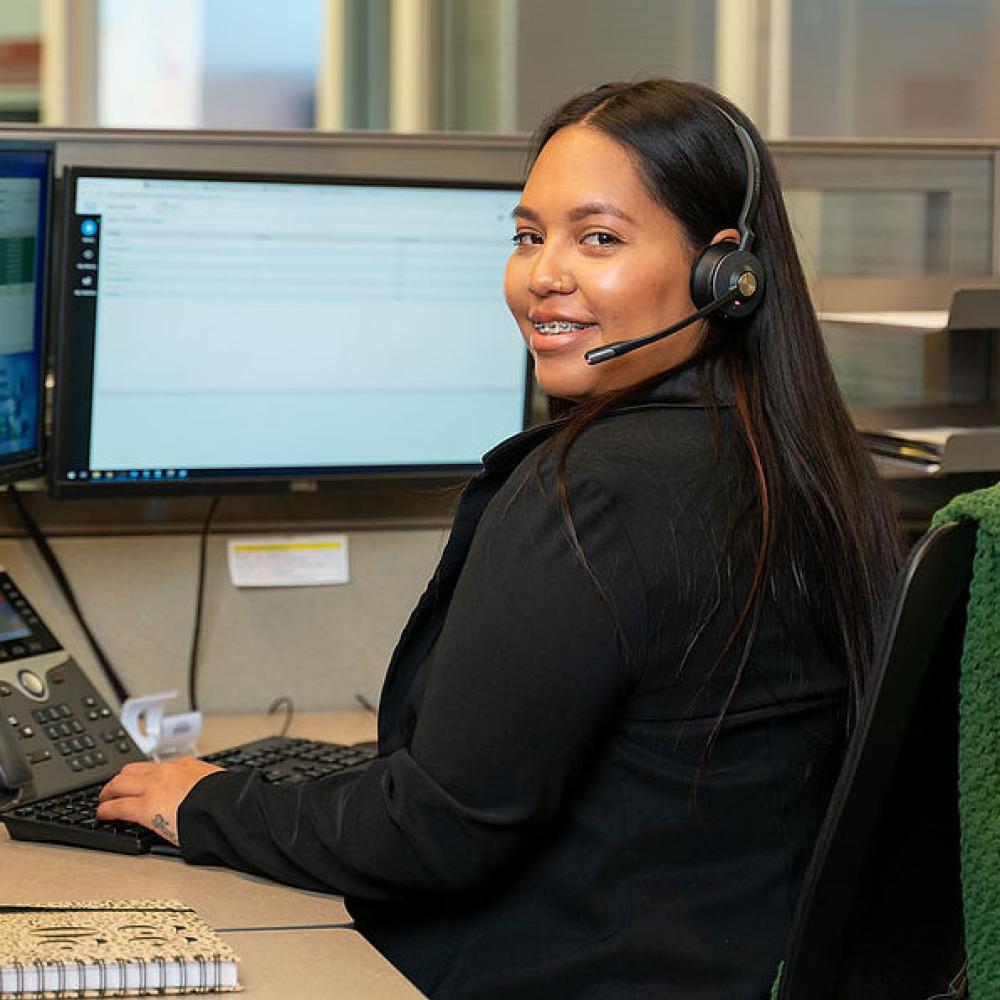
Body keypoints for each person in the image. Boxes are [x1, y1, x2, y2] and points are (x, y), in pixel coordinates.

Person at [97, 79, 903, 999]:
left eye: (597, 238)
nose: (542, 275)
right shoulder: (803, 467)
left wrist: (206, 801)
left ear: (723, 272)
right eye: (528, 236)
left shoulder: (593, 492)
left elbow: (434, 832)